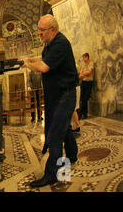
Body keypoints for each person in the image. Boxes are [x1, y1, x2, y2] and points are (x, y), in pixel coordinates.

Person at [19, 14, 78, 188]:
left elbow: (44, 67)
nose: (39, 34)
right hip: (57, 95)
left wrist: (28, 65)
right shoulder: (51, 43)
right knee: (63, 128)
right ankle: (73, 156)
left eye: (42, 30)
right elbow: (43, 58)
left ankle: (53, 175)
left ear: (53, 29)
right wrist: (29, 60)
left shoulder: (60, 43)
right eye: (38, 30)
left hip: (64, 95)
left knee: (54, 136)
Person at [77, 53, 94, 119]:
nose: (83, 59)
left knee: (85, 98)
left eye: (84, 57)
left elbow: (89, 72)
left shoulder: (91, 63)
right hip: (83, 82)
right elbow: (81, 73)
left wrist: (84, 73)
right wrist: (84, 73)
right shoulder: (83, 64)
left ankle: (80, 113)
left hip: (89, 82)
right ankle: (85, 113)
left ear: (87, 57)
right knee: (82, 98)